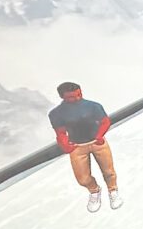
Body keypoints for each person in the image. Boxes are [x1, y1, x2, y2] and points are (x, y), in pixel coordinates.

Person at [48, 82, 123, 212]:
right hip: (77, 146)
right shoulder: (57, 113)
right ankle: (94, 191)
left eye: (79, 94)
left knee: (109, 171)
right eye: (72, 97)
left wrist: (99, 136)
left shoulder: (93, 106)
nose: (77, 98)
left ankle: (113, 191)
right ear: (63, 97)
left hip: (97, 142)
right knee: (83, 178)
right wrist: (64, 144)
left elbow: (105, 121)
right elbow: (60, 132)